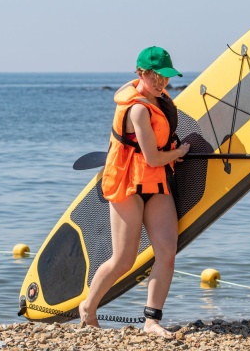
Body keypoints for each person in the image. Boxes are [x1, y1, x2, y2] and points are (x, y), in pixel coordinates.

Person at [79, 46, 190, 337]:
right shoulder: (138, 109)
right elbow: (152, 157)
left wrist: (171, 151)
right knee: (124, 260)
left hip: (156, 183)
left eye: (165, 77)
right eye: (155, 76)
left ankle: (151, 321)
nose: (161, 83)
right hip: (128, 185)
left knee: (166, 252)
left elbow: (156, 152)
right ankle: (88, 308)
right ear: (141, 73)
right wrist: (179, 152)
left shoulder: (159, 101)